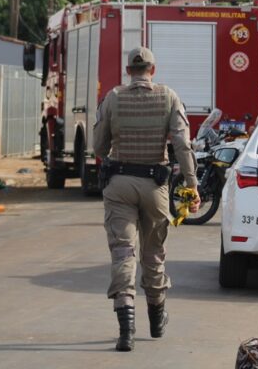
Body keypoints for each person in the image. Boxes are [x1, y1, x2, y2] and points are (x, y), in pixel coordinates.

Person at [93, 47, 199, 352]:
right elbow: (182, 145)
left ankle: (126, 331)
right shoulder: (169, 97)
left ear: (128, 70)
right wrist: (192, 186)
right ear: (153, 69)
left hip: (120, 184)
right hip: (155, 187)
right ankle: (156, 320)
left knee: (123, 252)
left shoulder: (113, 97)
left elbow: (99, 147)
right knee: (153, 254)